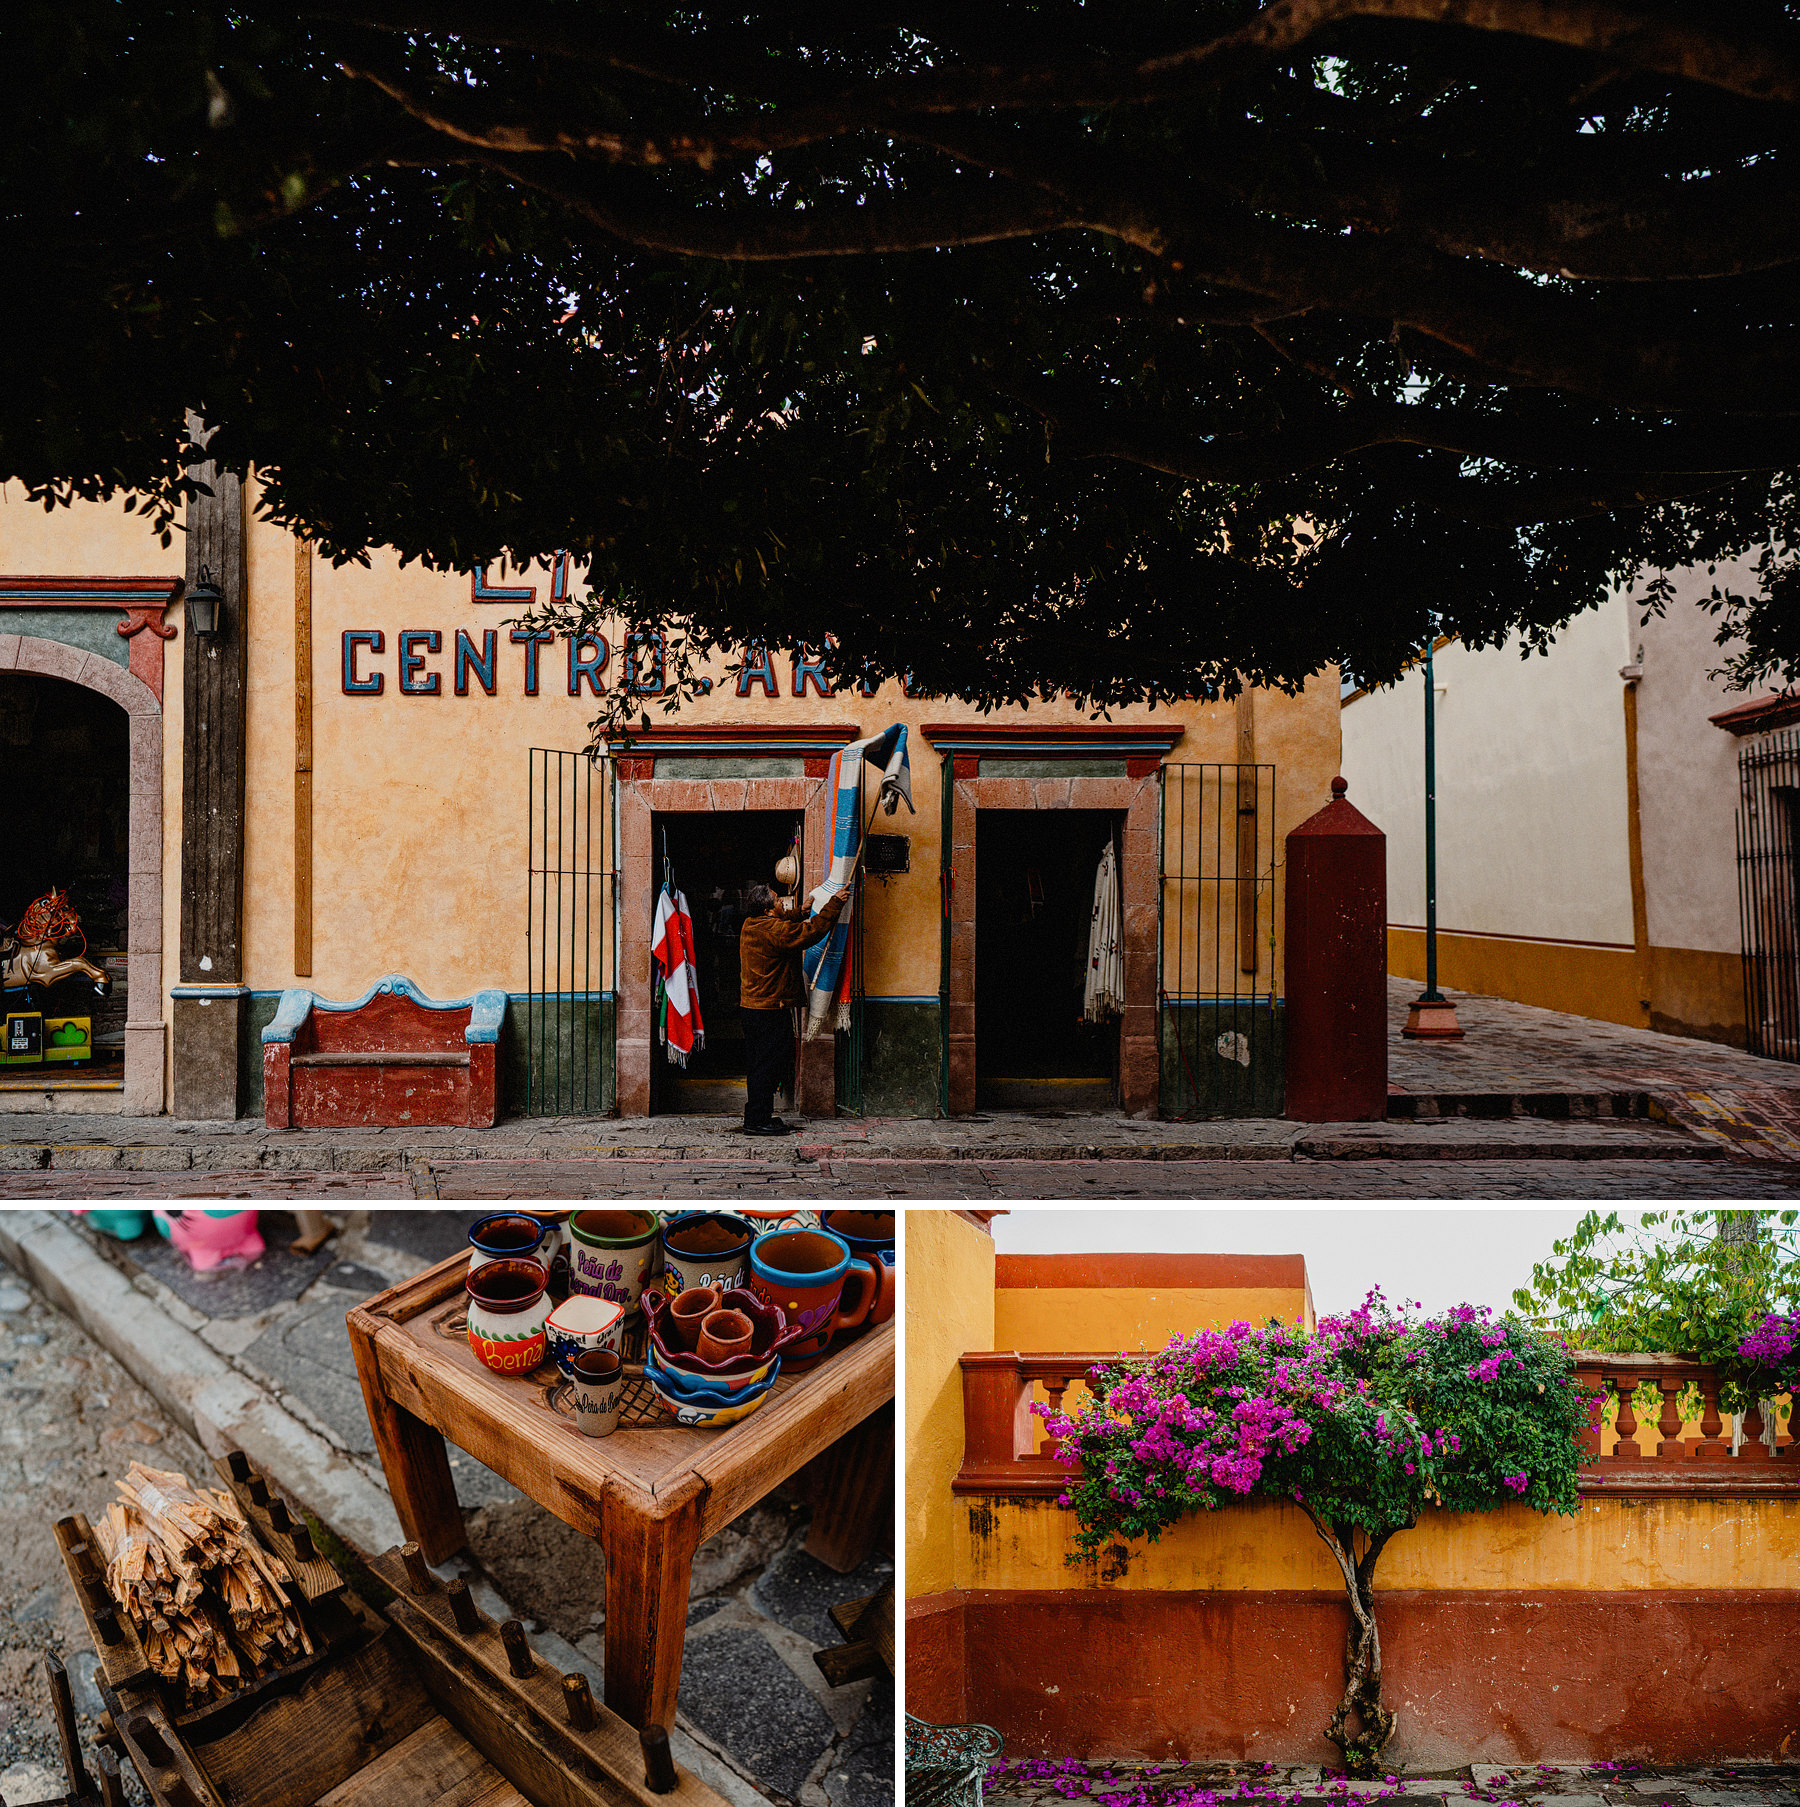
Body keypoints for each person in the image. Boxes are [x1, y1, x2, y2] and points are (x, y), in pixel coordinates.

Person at [736, 882, 846, 1136]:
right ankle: (757, 1122)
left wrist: (802, 910)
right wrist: (834, 904)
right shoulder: (774, 930)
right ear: (768, 911)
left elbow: (785, 923)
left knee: (759, 1064)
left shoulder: (751, 924)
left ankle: (758, 1114)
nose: (782, 903)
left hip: (754, 1008)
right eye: (777, 901)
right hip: (769, 1010)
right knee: (768, 1064)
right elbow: (810, 933)